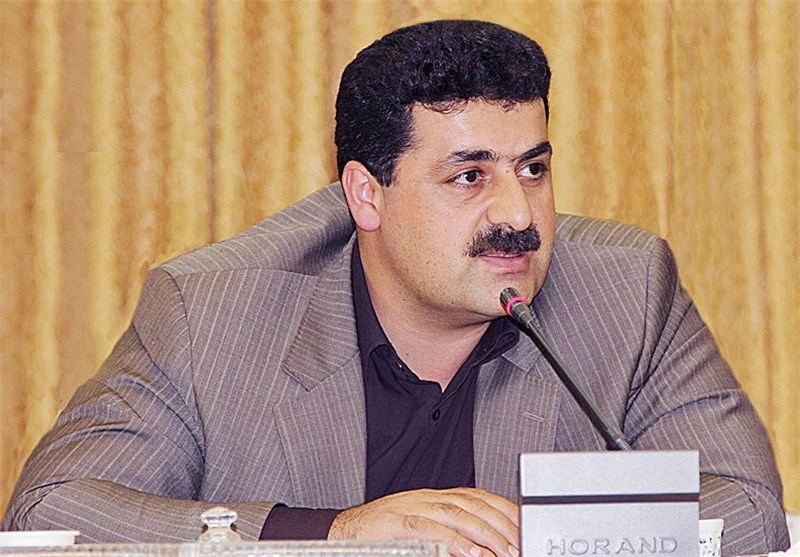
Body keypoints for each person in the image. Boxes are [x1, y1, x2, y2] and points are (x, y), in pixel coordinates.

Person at [2, 19, 790, 557]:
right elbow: (51, 511)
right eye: (469, 175)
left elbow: (751, 508)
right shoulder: (212, 310)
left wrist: (534, 539)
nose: (518, 214)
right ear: (366, 195)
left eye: (533, 168)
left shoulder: (626, 289)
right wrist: (336, 535)